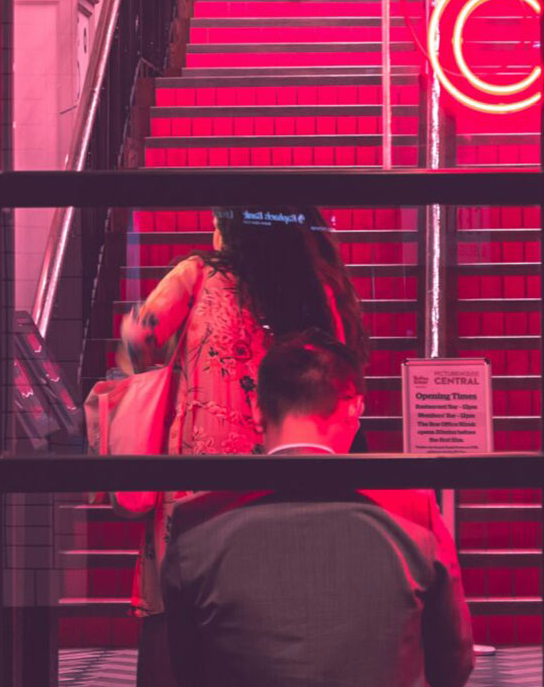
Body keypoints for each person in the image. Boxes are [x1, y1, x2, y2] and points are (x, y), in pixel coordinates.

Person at [117, 208, 371, 687]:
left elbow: (138, 339)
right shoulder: (316, 289)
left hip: (195, 479)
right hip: (284, 469)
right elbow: (339, 370)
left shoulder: (197, 274)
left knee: (180, 603)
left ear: (230, 228)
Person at [161, 334, 474, 687]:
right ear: (355, 409)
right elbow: (454, 662)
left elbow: (185, 667)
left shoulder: (198, 522)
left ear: (256, 410)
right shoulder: (414, 512)